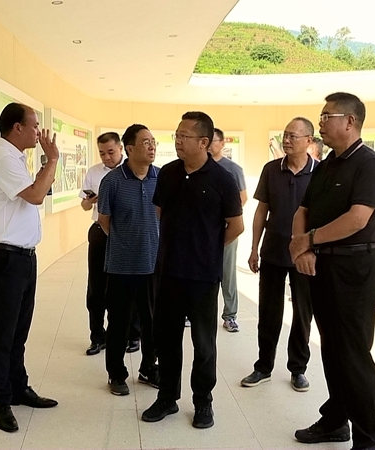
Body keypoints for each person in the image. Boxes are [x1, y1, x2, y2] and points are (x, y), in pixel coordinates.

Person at [290, 93, 375, 450]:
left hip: (355, 267)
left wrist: (308, 240)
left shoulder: (369, 164)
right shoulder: (326, 164)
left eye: (326, 116)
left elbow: (357, 219)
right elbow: (303, 209)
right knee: (332, 350)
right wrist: (303, 247)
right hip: (323, 265)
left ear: (350, 121)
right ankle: (335, 421)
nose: (320, 123)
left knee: (354, 354)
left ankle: (368, 439)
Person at [142, 111, 244, 429]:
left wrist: (207, 248)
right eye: (177, 135)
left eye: (184, 136)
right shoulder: (168, 173)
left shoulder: (223, 179)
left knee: (204, 343)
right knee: (166, 339)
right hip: (168, 272)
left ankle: (203, 402)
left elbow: (236, 226)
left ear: (204, 142)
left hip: (203, 276)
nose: (178, 141)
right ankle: (167, 397)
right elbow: (160, 211)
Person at [0, 102, 59, 433]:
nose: (39, 131)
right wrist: (52, 159)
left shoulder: (14, 158)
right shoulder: (2, 158)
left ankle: (17, 387)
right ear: (17, 128)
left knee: (18, 330)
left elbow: (37, 192)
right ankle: (1, 400)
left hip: (23, 257)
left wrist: (45, 165)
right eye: (34, 125)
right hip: (5, 258)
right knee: (2, 331)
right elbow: (37, 196)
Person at [241, 117, 317, 392]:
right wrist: (254, 248)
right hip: (273, 252)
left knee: (302, 314)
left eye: (293, 136)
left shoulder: (320, 172)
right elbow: (261, 211)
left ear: (309, 140)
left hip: (305, 256)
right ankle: (263, 366)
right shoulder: (271, 169)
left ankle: (298, 369)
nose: (286, 140)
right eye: (285, 135)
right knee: (269, 313)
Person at [97, 124, 160, 396]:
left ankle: (148, 368)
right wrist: (126, 242)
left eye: (153, 141)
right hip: (122, 265)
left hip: (154, 264)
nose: (151, 146)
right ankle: (116, 373)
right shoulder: (112, 181)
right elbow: (104, 220)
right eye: (145, 142)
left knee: (153, 321)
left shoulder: (161, 178)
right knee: (119, 323)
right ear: (130, 148)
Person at [79, 132, 141, 356]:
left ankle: (133, 335)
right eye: (102, 153)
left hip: (126, 234)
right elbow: (84, 206)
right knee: (96, 286)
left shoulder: (133, 171)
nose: (106, 157)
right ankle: (97, 336)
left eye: (111, 152)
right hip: (100, 232)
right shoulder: (94, 172)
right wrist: (89, 201)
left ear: (121, 149)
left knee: (129, 284)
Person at [208, 128, 247, 332]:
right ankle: (195, 312)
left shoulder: (233, 169)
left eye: (213, 141)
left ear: (222, 143)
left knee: (227, 273)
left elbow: (242, 198)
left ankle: (230, 315)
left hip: (226, 229)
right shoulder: (198, 166)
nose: (209, 145)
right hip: (203, 231)